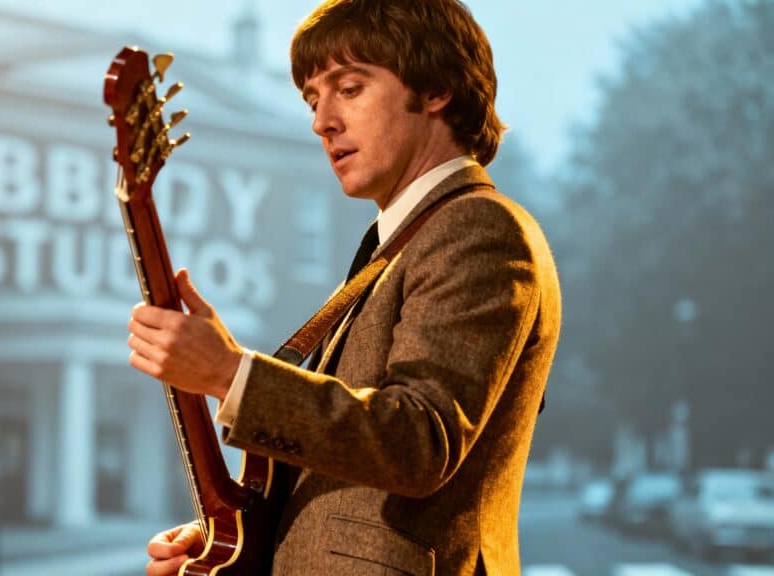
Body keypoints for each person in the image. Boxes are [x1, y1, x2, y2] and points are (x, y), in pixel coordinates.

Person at [126, 0, 561, 574]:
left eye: (349, 89)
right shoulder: (399, 245)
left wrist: (230, 373)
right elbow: (351, 466)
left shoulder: (477, 228)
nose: (320, 121)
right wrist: (238, 539)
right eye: (312, 99)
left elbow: (418, 440)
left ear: (435, 90)